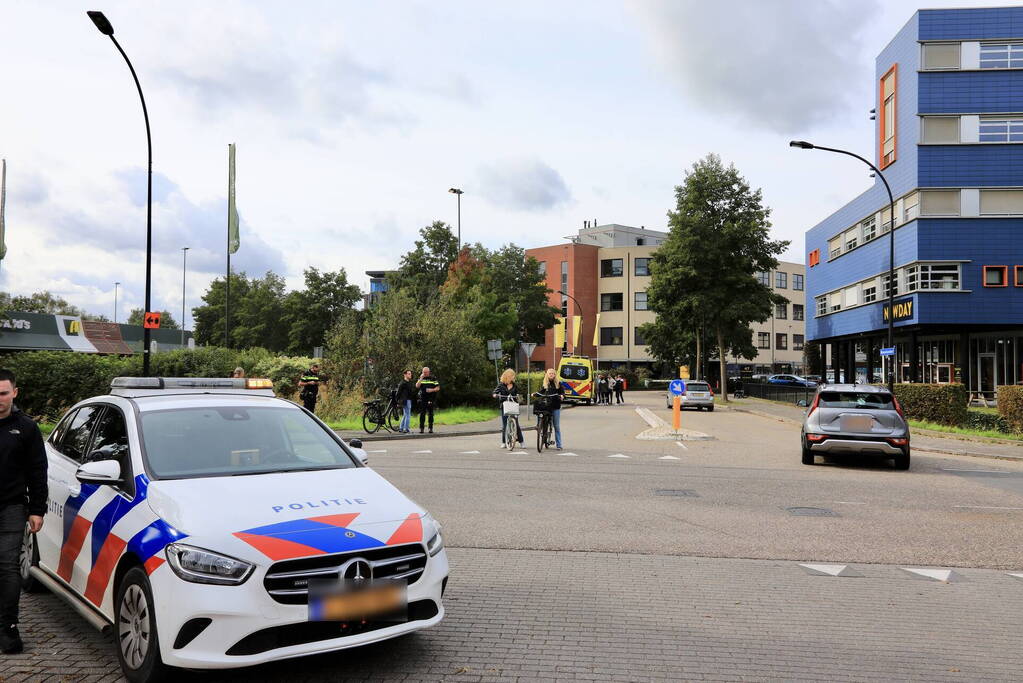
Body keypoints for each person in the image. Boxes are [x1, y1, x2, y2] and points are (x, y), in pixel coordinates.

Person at [0, 369, 46, 655]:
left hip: (12, 508)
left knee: (6, 568)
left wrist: (37, 509)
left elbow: (37, 471)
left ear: (14, 392)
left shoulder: (26, 428)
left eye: (3, 393)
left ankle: (8, 628)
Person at [535, 368, 566, 449]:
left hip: (555, 406)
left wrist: (562, 396)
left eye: (553, 373)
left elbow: (562, 392)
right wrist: (535, 394)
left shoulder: (558, 384)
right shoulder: (545, 384)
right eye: (550, 373)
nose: (551, 375)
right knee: (542, 418)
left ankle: (559, 445)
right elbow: (541, 392)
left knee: (556, 426)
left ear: (555, 375)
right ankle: (542, 433)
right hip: (547, 406)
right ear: (547, 375)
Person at [492, 369, 523, 448]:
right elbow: (495, 392)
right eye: (512, 376)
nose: (513, 377)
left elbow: (518, 394)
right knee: (505, 424)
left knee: (517, 424)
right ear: (508, 376)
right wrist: (495, 395)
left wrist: (519, 398)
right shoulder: (501, 385)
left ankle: (522, 441)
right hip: (505, 406)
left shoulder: (515, 385)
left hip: (513, 405)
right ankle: (504, 442)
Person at [416, 367, 440, 434]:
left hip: (431, 398)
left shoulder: (433, 378)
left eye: (426, 372)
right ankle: (421, 428)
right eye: (423, 372)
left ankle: (430, 428)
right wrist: (421, 378)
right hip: (423, 398)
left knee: (430, 414)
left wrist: (431, 390)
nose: (424, 373)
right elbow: (417, 386)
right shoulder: (421, 378)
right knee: (422, 414)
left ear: (429, 372)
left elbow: (438, 388)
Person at [396, 370, 414, 434]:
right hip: (406, 401)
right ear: (405, 375)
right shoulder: (403, 383)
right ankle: (406, 429)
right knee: (408, 415)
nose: (410, 375)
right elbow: (398, 392)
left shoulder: (408, 382)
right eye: (409, 374)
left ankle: (401, 428)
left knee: (405, 415)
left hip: (408, 400)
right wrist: (397, 401)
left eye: (410, 374)